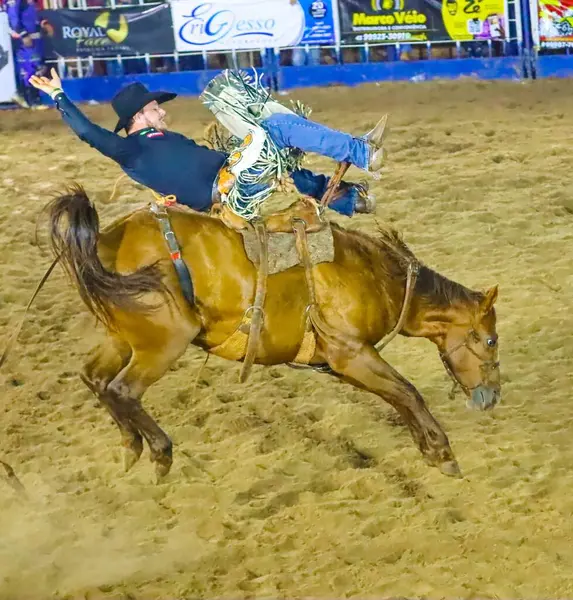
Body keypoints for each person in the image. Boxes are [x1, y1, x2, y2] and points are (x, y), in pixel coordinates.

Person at [29, 69, 387, 217]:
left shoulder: (163, 140)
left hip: (231, 176)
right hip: (226, 191)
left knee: (280, 163)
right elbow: (89, 133)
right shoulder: (129, 150)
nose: (163, 114)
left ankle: (349, 200)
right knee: (274, 127)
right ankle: (359, 152)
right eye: (156, 110)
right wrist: (58, 94)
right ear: (138, 116)